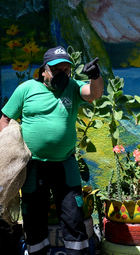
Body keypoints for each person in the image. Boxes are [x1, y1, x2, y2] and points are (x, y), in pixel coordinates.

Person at [0, 46, 104, 255]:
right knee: (33, 221)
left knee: (73, 219)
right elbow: (5, 118)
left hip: (65, 165)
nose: (62, 74)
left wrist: (95, 75)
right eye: (57, 70)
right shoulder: (26, 89)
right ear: (44, 71)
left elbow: (94, 93)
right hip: (33, 167)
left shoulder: (73, 87)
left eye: (66, 70)